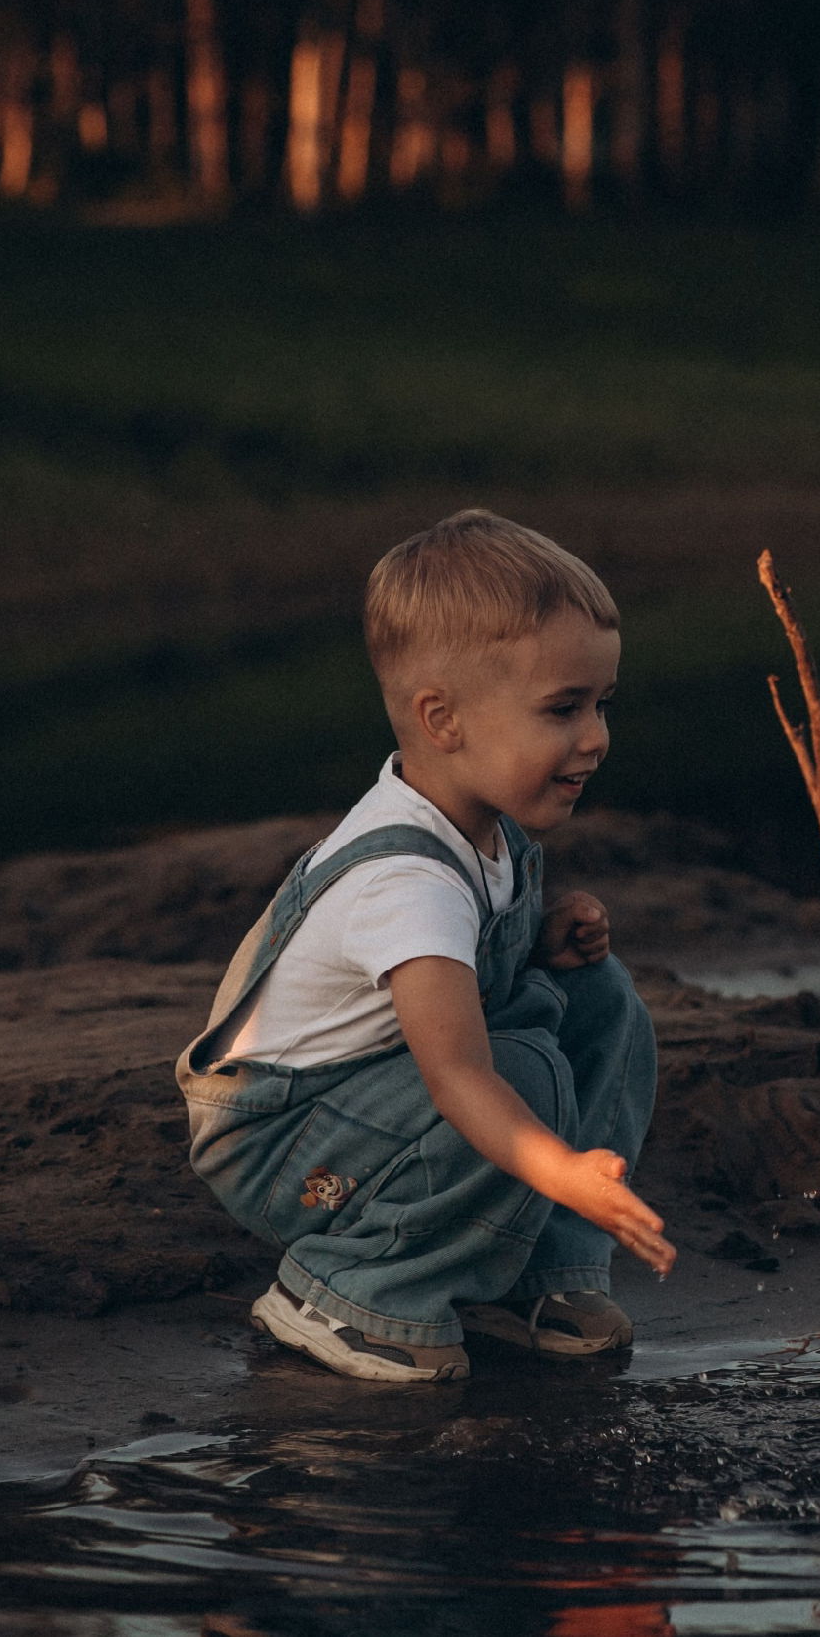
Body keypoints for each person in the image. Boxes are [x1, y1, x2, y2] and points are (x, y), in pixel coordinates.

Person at [175, 510, 674, 1383]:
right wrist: (562, 1169)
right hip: (283, 1144)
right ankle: (350, 1291)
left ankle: (532, 1279)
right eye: (563, 709)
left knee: (601, 1000)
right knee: (518, 1075)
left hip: (371, 1100)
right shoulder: (406, 880)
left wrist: (541, 940)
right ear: (443, 720)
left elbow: (465, 981)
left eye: (603, 704)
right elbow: (458, 1076)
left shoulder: (484, 824)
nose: (596, 736)